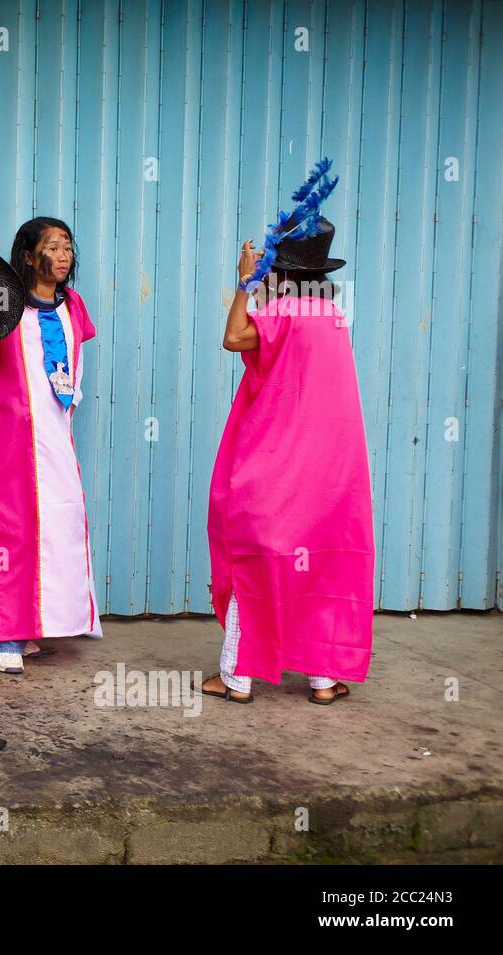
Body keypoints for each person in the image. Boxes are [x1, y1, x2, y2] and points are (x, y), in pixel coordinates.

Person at [203, 216, 374, 705]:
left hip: (278, 468)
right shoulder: (332, 318)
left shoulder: (285, 314)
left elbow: (233, 337)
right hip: (332, 475)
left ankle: (236, 677)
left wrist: (244, 282)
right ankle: (322, 680)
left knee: (256, 563)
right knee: (318, 566)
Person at [0, 217, 102, 675]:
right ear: (27, 256)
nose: (63, 255)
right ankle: (7, 632)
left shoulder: (74, 306)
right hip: (8, 440)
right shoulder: (3, 310)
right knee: (13, 531)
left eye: (67, 246)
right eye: (52, 246)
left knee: (56, 527)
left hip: (56, 437)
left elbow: (75, 368)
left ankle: (8, 622)